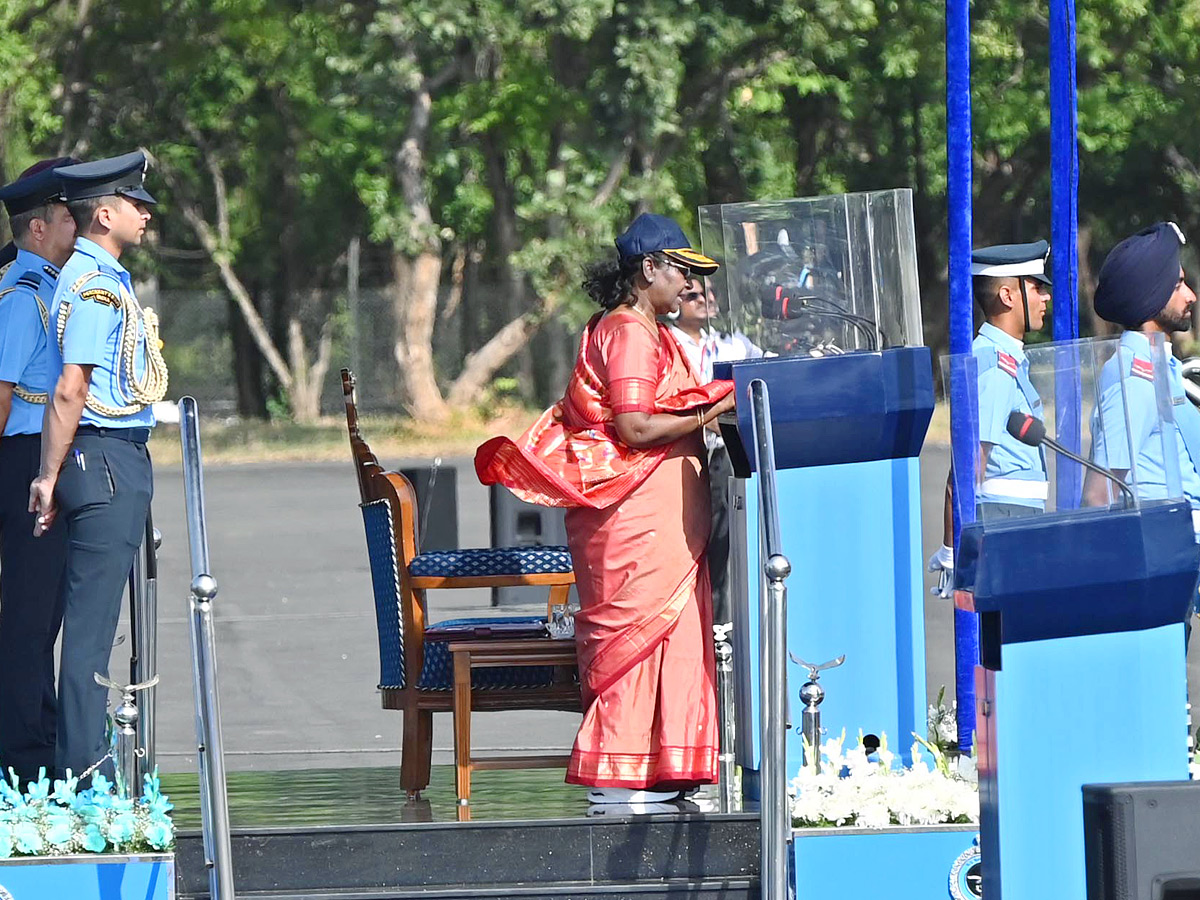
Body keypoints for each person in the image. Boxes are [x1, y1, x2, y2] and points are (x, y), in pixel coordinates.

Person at [476, 213, 736, 805]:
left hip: (655, 515)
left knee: (669, 634)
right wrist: (713, 410)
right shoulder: (630, 332)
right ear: (649, 270)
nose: (689, 287)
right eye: (682, 273)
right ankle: (621, 778)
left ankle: (659, 771)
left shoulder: (638, 327)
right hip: (634, 515)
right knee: (637, 638)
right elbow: (636, 425)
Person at [28, 150, 169, 782]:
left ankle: (89, 761)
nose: (145, 215)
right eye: (136, 205)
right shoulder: (93, 285)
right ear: (103, 213)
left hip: (111, 455)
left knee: (96, 625)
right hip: (104, 455)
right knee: (88, 633)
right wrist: (48, 475)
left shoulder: (103, 277)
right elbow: (69, 388)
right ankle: (84, 774)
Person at [0, 158, 78, 786]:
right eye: (66, 217)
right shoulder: (23, 298)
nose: (76, 228)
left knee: (40, 616)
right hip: (19, 461)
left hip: (32, 459)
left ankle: (39, 739)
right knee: (28, 620)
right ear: (36, 230)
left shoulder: (48, 286)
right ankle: (25, 763)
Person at [929, 241, 1052, 597]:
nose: (1045, 297)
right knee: (1001, 643)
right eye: (1036, 287)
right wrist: (955, 550)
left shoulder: (1007, 358)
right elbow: (968, 469)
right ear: (1007, 296)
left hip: (1014, 514)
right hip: (1002, 517)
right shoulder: (995, 364)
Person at [1086, 222, 1200, 518]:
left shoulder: (1163, 368)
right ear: (1150, 296)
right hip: (1168, 543)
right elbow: (1100, 495)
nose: (1191, 296)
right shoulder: (1135, 380)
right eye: (1177, 286)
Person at [668, 280, 762, 627]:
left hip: (728, 460)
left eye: (710, 292)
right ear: (678, 301)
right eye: (693, 295)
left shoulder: (731, 343)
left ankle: (721, 636)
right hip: (690, 460)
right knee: (694, 553)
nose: (705, 299)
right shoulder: (669, 345)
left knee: (724, 555)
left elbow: (764, 375)